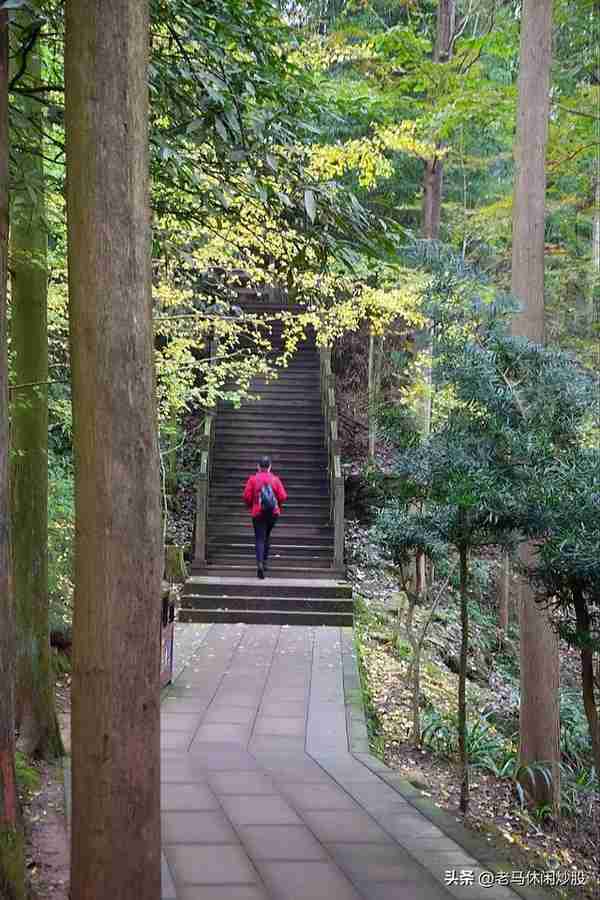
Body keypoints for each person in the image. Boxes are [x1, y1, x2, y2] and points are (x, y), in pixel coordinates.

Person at [243, 455, 288, 579]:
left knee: (259, 538)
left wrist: (250, 505)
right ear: (270, 467)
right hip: (272, 513)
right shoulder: (275, 479)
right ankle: (265, 561)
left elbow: (246, 496)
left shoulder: (253, 479)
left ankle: (260, 564)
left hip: (258, 513)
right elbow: (283, 496)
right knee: (266, 536)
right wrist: (276, 504)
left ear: (258, 466)